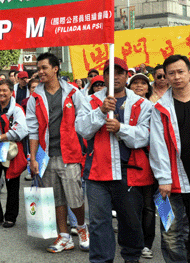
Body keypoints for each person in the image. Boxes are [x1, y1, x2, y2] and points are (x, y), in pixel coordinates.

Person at [77, 57, 152, 263]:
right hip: (96, 172)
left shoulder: (141, 103)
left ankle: (131, 258)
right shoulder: (90, 100)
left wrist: (121, 129)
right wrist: (101, 111)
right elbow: (82, 129)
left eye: (120, 72)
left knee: (130, 222)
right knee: (99, 223)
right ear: (105, 75)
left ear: (127, 76)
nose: (115, 77)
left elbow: (145, 136)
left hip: (130, 172)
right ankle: (101, 259)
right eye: (110, 72)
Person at [27, 52, 90, 253]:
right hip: (46, 156)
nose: (40, 72)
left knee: (75, 198)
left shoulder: (73, 93)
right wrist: (34, 158)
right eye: (38, 68)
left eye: (44, 68)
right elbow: (33, 129)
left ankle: (81, 227)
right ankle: (64, 236)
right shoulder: (34, 97)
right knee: (55, 199)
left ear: (56, 68)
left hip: (69, 154)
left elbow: (84, 121)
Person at [150, 54, 190, 263]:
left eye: (180, 72)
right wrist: (163, 177)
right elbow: (158, 146)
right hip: (170, 182)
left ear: (189, 73)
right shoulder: (160, 108)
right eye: (171, 73)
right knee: (170, 233)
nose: (176, 77)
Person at [0, 79, 28, 228]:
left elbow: (21, 130)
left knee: (12, 184)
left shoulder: (17, 109)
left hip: (10, 150)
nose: (1, 93)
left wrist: (0, 137)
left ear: (11, 92)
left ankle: (10, 217)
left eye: (5, 90)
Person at [127, 72, 157, 259]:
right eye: (135, 83)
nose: (139, 86)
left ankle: (146, 243)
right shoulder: (122, 107)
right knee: (129, 206)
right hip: (127, 162)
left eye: (143, 83)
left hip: (148, 161)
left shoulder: (155, 108)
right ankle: (131, 241)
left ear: (148, 88)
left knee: (148, 206)